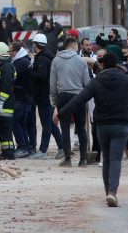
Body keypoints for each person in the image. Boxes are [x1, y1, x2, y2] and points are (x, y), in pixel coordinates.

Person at [58, 53, 128, 207]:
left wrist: (60, 114)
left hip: (102, 126)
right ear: (117, 65)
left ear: (103, 65)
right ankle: (112, 192)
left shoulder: (96, 81)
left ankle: (108, 193)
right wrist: (126, 71)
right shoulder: (126, 79)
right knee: (115, 159)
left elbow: (78, 100)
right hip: (121, 125)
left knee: (106, 159)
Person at [50, 37, 91, 166]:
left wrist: (54, 99)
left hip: (63, 96)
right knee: (81, 127)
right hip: (79, 96)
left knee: (65, 127)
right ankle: (83, 159)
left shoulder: (56, 60)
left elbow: (52, 83)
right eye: (77, 46)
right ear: (73, 46)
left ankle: (67, 158)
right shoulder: (81, 60)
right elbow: (87, 82)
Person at [29, 33, 63, 159]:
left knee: (46, 124)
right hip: (47, 95)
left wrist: (30, 71)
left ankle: (43, 151)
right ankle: (62, 147)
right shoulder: (45, 56)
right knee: (50, 123)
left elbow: (41, 77)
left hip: (45, 96)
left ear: (35, 44)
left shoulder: (43, 59)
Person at [11, 41, 36, 158]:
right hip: (26, 96)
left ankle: (22, 147)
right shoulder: (25, 60)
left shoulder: (20, 63)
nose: (9, 54)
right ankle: (25, 146)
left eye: (10, 51)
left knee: (14, 121)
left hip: (22, 97)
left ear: (15, 51)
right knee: (21, 122)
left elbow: (12, 77)